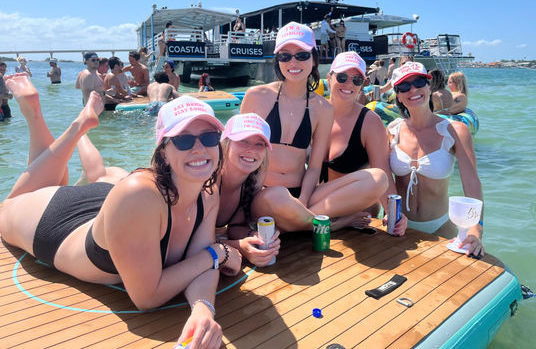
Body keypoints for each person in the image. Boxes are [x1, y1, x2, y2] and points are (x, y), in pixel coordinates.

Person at [0, 82, 242, 348]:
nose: (199, 149)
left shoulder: (208, 192)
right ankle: (56, 121)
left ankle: (83, 132)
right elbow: (147, 297)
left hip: (111, 206)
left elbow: (201, 261)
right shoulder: (138, 195)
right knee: (11, 204)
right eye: (183, 140)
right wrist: (218, 253)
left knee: (103, 174)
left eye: (209, 138)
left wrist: (203, 308)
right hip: (57, 222)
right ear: (163, 150)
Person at [241, 22, 386, 232]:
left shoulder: (322, 109)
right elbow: (235, 154)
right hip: (263, 194)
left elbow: (315, 167)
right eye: (285, 55)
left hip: (302, 194)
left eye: (301, 55)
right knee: (277, 195)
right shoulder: (256, 97)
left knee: (378, 179)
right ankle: (331, 225)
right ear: (277, 60)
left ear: (313, 58)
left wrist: (302, 201)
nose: (293, 62)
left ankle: (299, 220)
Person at [387, 62, 484, 257]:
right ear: (397, 94)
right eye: (404, 86)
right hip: (399, 228)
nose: (413, 89)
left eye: (419, 82)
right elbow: (383, 180)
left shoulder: (455, 131)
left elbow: (472, 184)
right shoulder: (392, 131)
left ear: (429, 86)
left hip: (440, 229)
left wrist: (476, 230)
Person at [321, 52, 408, 235]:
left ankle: (303, 219)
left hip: (357, 216)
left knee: (377, 177)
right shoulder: (315, 113)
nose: (349, 84)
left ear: (363, 84)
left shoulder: (369, 122)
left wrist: (394, 215)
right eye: (342, 77)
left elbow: (383, 174)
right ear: (329, 78)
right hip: (322, 212)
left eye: (356, 80)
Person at [216, 113, 281, 266]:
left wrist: (254, 237)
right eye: (243, 140)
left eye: (259, 144)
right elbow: (190, 239)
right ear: (226, 144)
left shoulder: (252, 180)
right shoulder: (209, 180)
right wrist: (239, 246)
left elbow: (235, 227)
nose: (251, 149)